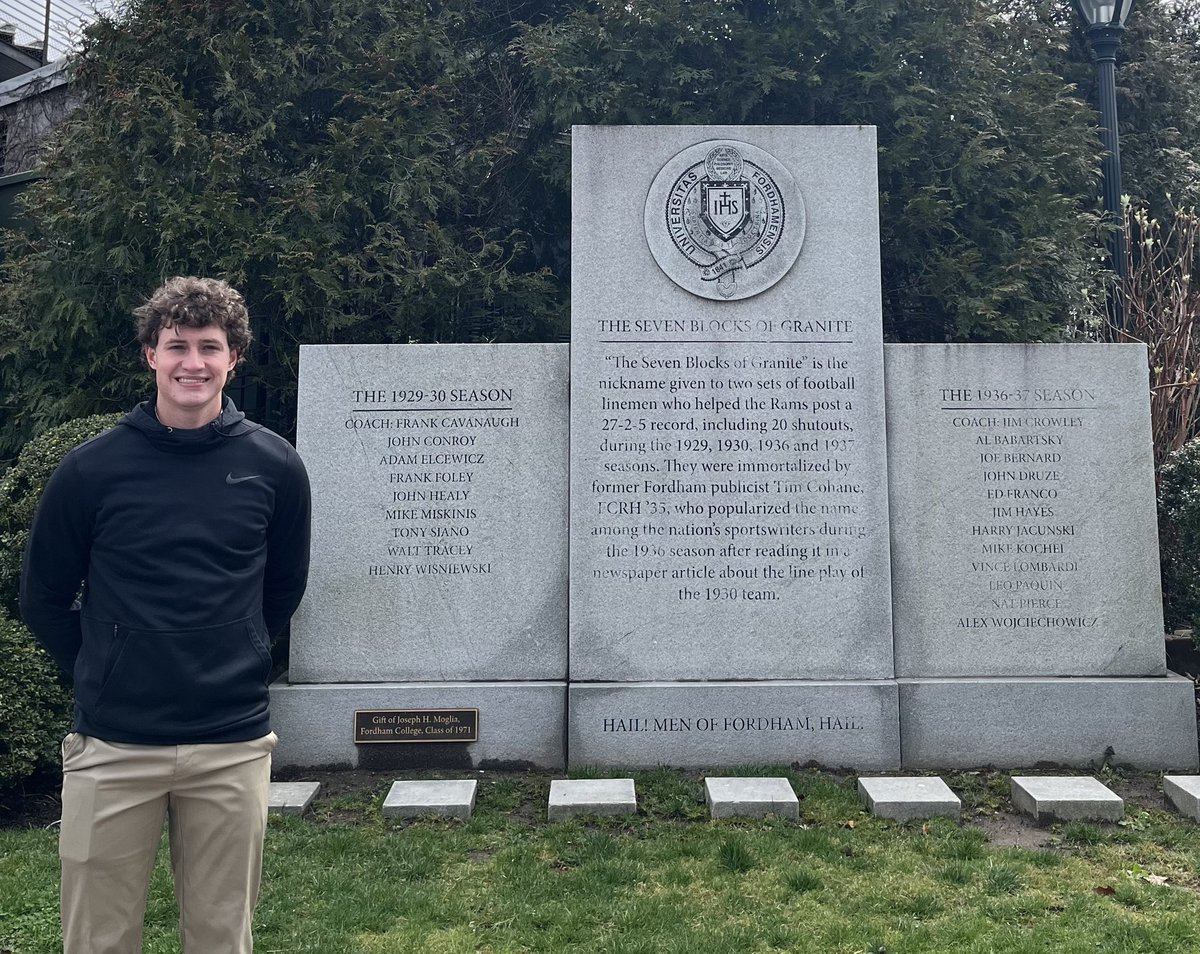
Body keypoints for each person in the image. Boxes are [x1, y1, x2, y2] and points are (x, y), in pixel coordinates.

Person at [19, 276, 311, 954]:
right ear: (150, 354)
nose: (193, 362)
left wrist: (236, 653)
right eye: (177, 345)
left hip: (231, 745)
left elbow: (282, 589)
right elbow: (44, 598)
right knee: (97, 940)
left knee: (220, 938)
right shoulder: (91, 470)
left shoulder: (274, 466)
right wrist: (108, 667)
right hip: (113, 746)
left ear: (233, 358)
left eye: (209, 347)